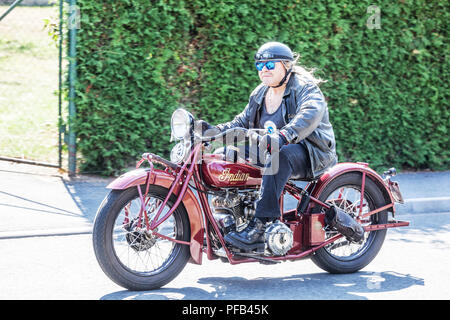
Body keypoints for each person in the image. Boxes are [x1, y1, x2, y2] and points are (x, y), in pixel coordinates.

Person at [200, 42, 338, 250]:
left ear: (286, 65)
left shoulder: (304, 88)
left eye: (270, 64)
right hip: (274, 148)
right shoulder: (260, 93)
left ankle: (262, 225)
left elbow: (308, 115)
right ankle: (227, 217)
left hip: (311, 152)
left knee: (278, 156)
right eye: (260, 65)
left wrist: (285, 135)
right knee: (225, 155)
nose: (264, 69)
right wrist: (212, 131)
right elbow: (241, 122)